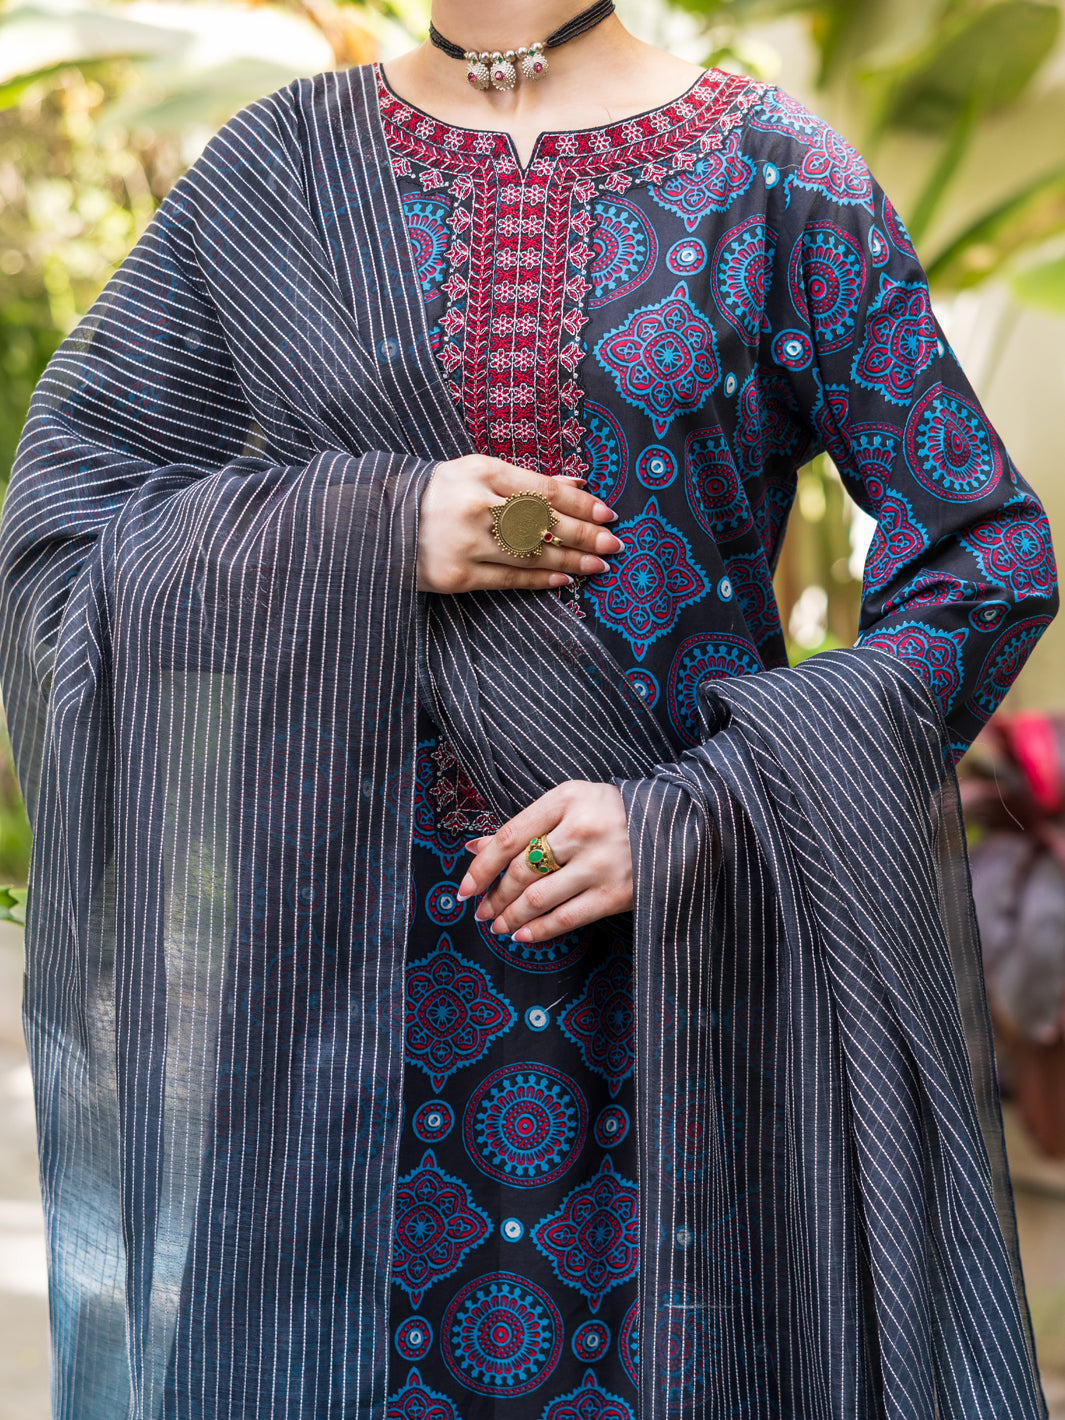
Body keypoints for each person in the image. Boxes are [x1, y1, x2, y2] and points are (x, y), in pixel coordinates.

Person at [0, 2, 1057, 1417]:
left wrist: (707, 809)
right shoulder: (278, 175)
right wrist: (376, 526)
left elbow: (985, 565)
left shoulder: (772, 175)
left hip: (678, 987)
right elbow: (64, 532)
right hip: (333, 1010)